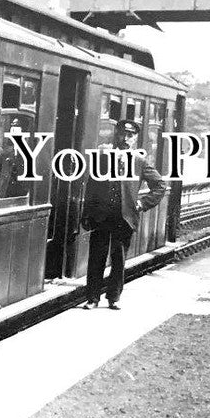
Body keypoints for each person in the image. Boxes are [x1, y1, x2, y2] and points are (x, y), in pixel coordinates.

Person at [79, 119, 167, 309]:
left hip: (124, 217)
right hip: (101, 216)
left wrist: (142, 203)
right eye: (123, 134)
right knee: (97, 258)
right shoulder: (103, 158)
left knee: (118, 259)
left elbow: (160, 185)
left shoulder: (140, 162)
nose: (126, 138)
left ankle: (114, 298)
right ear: (116, 135)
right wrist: (87, 213)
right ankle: (93, 298)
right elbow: (92, 187)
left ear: (135, 139)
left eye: (130, 135)